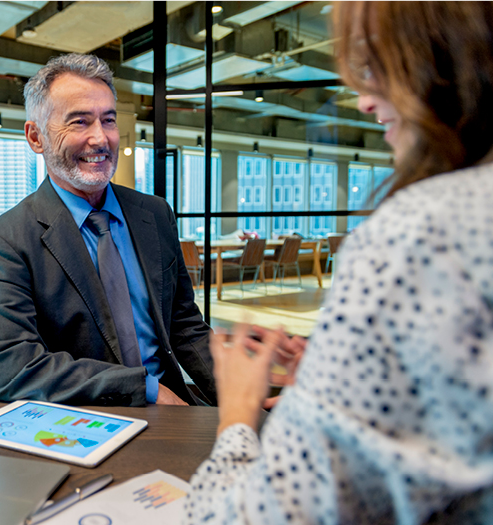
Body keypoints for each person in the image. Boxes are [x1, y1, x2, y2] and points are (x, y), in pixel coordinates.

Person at [184, 2, 493, 523]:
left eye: (376, 69)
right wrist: (348, 375)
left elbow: (245, 517)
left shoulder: (416, 232)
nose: (364, 100)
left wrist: (237, 411)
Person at [0, 54, 216, 408]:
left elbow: (185, 327)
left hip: (177, 408)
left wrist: (247, 399)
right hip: (88, 418)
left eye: (108, 120)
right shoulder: (6, 239)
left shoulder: (155, 214)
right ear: (35, 136)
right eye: (80, 122)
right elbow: (10, 368)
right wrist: (145, 388)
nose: (100, 138)